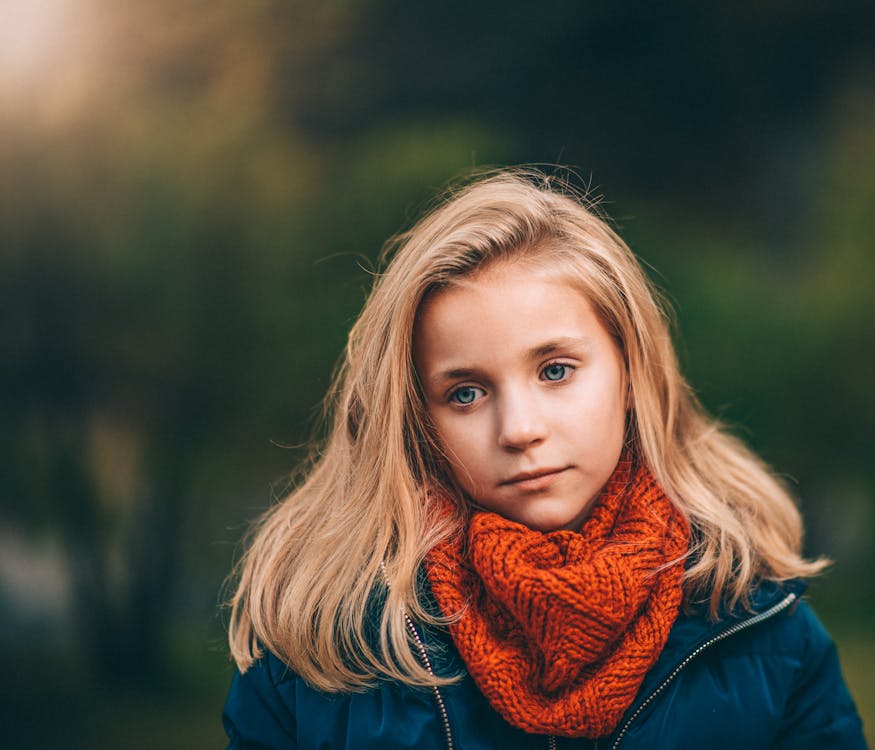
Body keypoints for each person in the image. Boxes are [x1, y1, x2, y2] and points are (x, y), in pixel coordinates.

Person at [222, 169, 867, 749]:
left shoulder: (764, 630)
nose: (520, 429)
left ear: (631, 373)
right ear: (418, 418)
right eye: (466, 393)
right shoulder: (326, 650)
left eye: (555, 370)